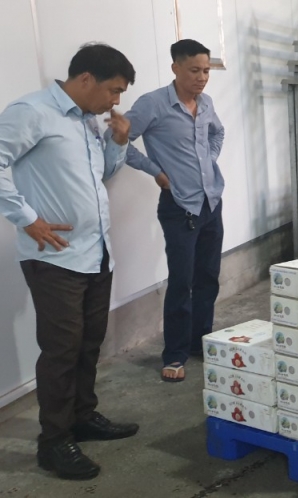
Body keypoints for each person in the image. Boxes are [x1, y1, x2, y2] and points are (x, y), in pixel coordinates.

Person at [0, 43, 139, 480]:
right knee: (61, 351)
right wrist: (27, 219)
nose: (115, 101)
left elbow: (100, 177)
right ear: (85, 79)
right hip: (56, 259)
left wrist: (119, 143)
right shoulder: (32, 112)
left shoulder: (87, 121)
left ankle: (82, 416)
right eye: (114, 90)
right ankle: (54, 442)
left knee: (88, 342)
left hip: (96, 253)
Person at [124, 39, 225, 383]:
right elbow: (118, 141)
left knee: (208, 277)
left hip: (211, 202)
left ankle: (200, 341)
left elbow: (218, 133)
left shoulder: (206, 103)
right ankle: (176, 354)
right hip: (179, 206)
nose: (202, 78)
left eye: (206, 71)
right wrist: (155, 171)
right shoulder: (152, 104)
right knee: (181, 281)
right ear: (175, 68)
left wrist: (209, 161)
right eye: (194, 70)